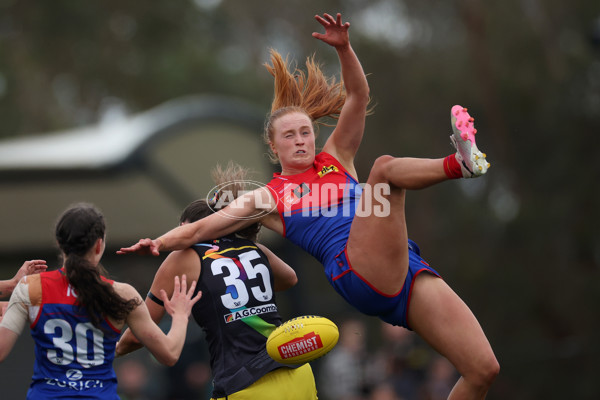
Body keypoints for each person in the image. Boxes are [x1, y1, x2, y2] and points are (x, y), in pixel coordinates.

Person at [119, 12, 499, 399]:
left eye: (306, 132)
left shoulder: (337, 158)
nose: (302, 140)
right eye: (290, 135)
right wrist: (160, 243)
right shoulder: (268, 196)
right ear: (273, 146)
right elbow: (201, 229)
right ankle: (459, 164)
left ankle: (463, 164)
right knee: (384, 170)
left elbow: (358, 96)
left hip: (402, 267)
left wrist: (345, 49)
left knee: (482, 370)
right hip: (355, 271)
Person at [117, 163, 319, 400]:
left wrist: (111, 350)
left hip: (246, 385)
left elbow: (139, 332)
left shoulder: (182, 257)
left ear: (187, 229)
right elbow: (290, 278)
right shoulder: (256, 249)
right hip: (298, 375)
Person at [0, 203, 201, 399]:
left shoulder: (30, 288)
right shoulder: (122, 294)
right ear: (99, 245)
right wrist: (181, 316)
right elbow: (169, 354)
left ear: (60, 244)